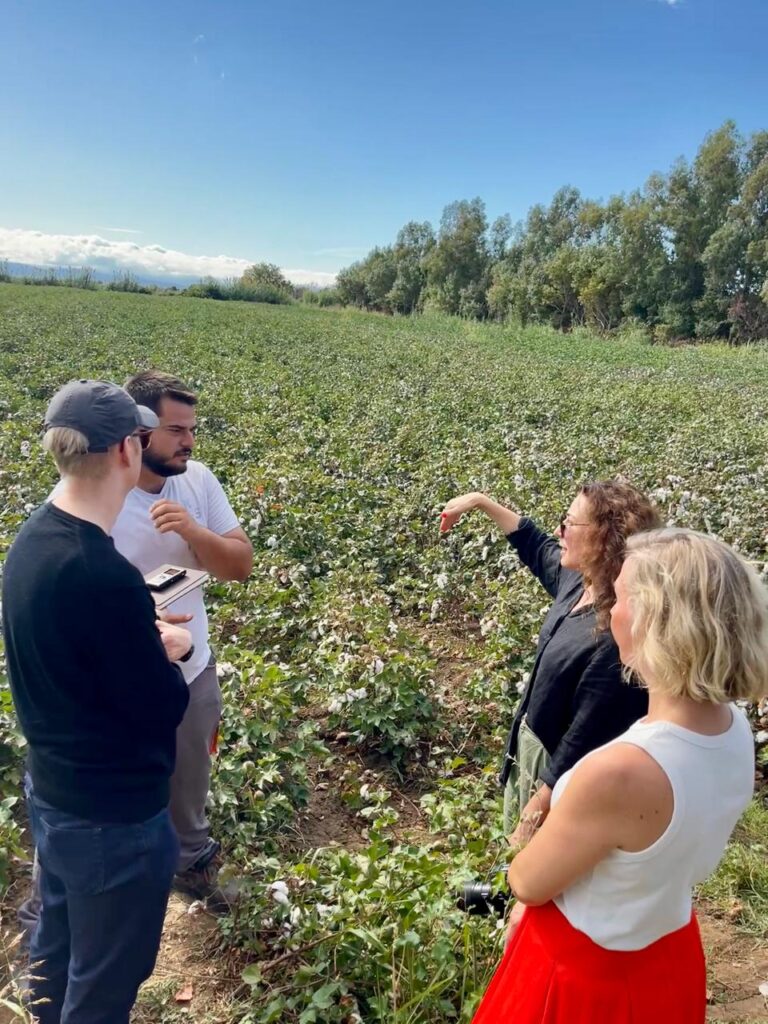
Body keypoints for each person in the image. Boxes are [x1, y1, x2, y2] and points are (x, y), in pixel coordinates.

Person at [471, 528, 768, 1023]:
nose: (610, 611)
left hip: (584, 977)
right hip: (666, 954)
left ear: (658, 623)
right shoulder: (734, 729)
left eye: (622, 596)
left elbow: (527, 882)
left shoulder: (623, 773)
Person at [2, 380, 191, 1024]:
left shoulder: (34, 538)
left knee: (54, 949)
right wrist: (172, 650)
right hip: (114, 820)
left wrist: (134, 635)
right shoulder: (100, 572)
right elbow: (160, 707)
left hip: (55, 795)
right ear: (125, 452)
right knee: (106, 979)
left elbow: (71, 658)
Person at [440, 481, 660, 843]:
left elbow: (585, 742)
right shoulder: (581, 583)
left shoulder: (616, 637)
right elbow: (535, 544)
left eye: (569, 523)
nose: (560, 531)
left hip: (561, 786)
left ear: (604, 538)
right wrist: (481, 502)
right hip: (535, 754)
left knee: (530, 863)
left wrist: (531, 819)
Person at [116, 370, 253, 909]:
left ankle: (191, 860)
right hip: (124, 679)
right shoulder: (103, 496)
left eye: (192, 429)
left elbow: (239, 566)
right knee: (123, 779)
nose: (189, 441)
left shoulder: (197, 480)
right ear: (139, 431)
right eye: (176, 430)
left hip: (192, 667)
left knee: (191, 772)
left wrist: (193, 530)